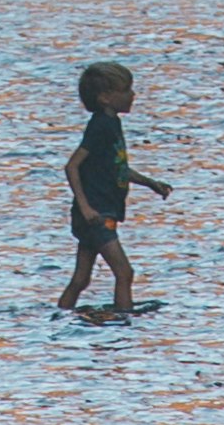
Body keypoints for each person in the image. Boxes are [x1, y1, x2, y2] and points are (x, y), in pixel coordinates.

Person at [57, 59, 167, 318]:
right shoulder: (100, 126)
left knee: (81, 279)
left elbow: (116, 169)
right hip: (97, 215)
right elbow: (72, 166)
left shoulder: (112, 124)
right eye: (126, 90)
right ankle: (124, 317)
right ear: (106, 97)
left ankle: (61, 313)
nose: (133, 95)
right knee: (124, 272)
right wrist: (86, 208)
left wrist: (151, 183)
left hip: (102, 212)